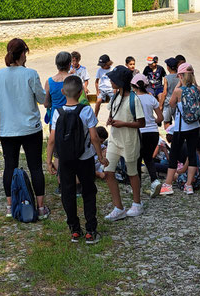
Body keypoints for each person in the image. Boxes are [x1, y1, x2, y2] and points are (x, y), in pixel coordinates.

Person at [0, 38, 50, 219]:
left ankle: (10, 206)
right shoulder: (30, 74)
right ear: (23, 53)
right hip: (30, 128)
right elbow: (42, 99)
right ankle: (40, 208)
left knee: (9, 166)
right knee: (35, 167)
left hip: (7, 128)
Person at [46, 76, 104, 244]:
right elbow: (94, 137)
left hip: (65, 159)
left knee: (68, 192)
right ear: (81, 93)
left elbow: (51, 140)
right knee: (88, 191)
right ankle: (90, 230)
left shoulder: (57, 112)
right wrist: (100, 156)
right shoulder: (86, 111)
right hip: (85, 158)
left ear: (63, 92)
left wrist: (49, 161)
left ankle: (74, 230)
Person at [103, 65, 145, 220]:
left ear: (121, 81)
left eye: (113, 79)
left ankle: (137, 203)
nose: (110, 81)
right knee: (108, 171)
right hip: (114, 140)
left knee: (132, 172)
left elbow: (142, 123)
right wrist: (111, 119)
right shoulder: (115, 96)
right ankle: (118, 207)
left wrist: (123, 123)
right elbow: (112, 111)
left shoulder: (134, 100)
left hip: (129, 141)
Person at [160, 63, 200, 197]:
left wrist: (178, 85)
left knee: (174, 154)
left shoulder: (178, 90)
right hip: (195, 126)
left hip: (181, 127)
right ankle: (189, 185)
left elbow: (172, 104)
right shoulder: (197, 89)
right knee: (191, 155)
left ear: (180, 76)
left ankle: (168, 184)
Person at [131, 73, 164, 197]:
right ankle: (154, 181)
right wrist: (151, 121)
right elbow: (160, 118)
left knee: (137, 159)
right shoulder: (151, 98)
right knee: (149, 158)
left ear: (133, 86)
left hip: (140, 132)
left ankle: (137, 188)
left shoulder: (133, 99)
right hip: (153, 132)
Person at [44, 51, 73, 120]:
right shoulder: (74, 79)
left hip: (55, 118)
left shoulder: (49, 82)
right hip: (71, 117)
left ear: (56, 65)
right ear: (69, 64)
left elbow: (46, 104)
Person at [159, 56, 180, 124]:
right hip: (177, 102)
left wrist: (161, 105)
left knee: (166, 121)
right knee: (177, 120)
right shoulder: (180, 76)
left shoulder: (166, 78)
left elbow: (165, 92)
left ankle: (169, 133)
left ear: (168, 67)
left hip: (168, 103)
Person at [94, 54, 114, 118]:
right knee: (98, 101)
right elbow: (96, 81)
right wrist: (97, 91)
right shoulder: (99, 70)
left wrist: (115, 89)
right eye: (101, 65)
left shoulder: (112, 69)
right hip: (102, 89)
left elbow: (115, 80)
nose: (102, 67)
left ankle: (111, 117)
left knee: (113, 102)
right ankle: (95, 116)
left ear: (108, 64)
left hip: (111, 89)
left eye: (103, 65)